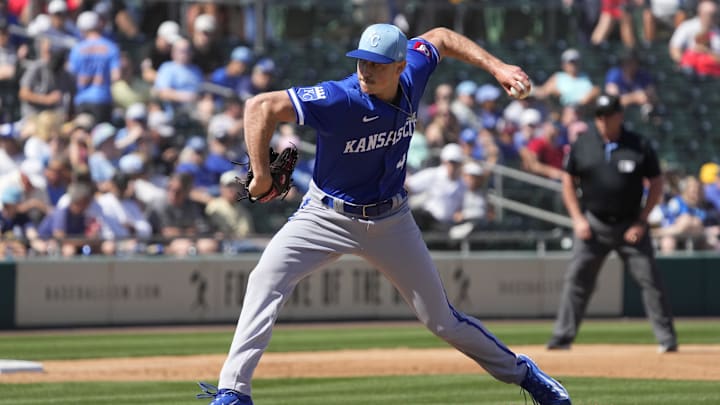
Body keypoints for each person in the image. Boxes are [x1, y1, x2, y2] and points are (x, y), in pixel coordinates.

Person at [198, 23, 571, 405]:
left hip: (392, 220)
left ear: (399, 65)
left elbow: (441, 35)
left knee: (441, 320)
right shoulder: (339, 97)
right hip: (325, 215)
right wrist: (260, 173)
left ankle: (526, 375)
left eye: (376, 64)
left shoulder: (414, 69)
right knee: (264, 280)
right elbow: (259, 106)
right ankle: (233, 391)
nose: (365, 70)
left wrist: (498, 67)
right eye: (361, 61)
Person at [547, 93, 678, 354]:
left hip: (631, 225)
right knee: (577, 280)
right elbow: (568, 181)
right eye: (600, 116)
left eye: (609, 115)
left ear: (620, 115)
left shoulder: (638, 144)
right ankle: (562, 338)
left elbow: (656, 183)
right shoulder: (583, 144)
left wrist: (642, 221)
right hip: (593, 225)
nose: (604, 120)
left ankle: (667, 340)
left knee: (650, 280)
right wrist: (577, 218)